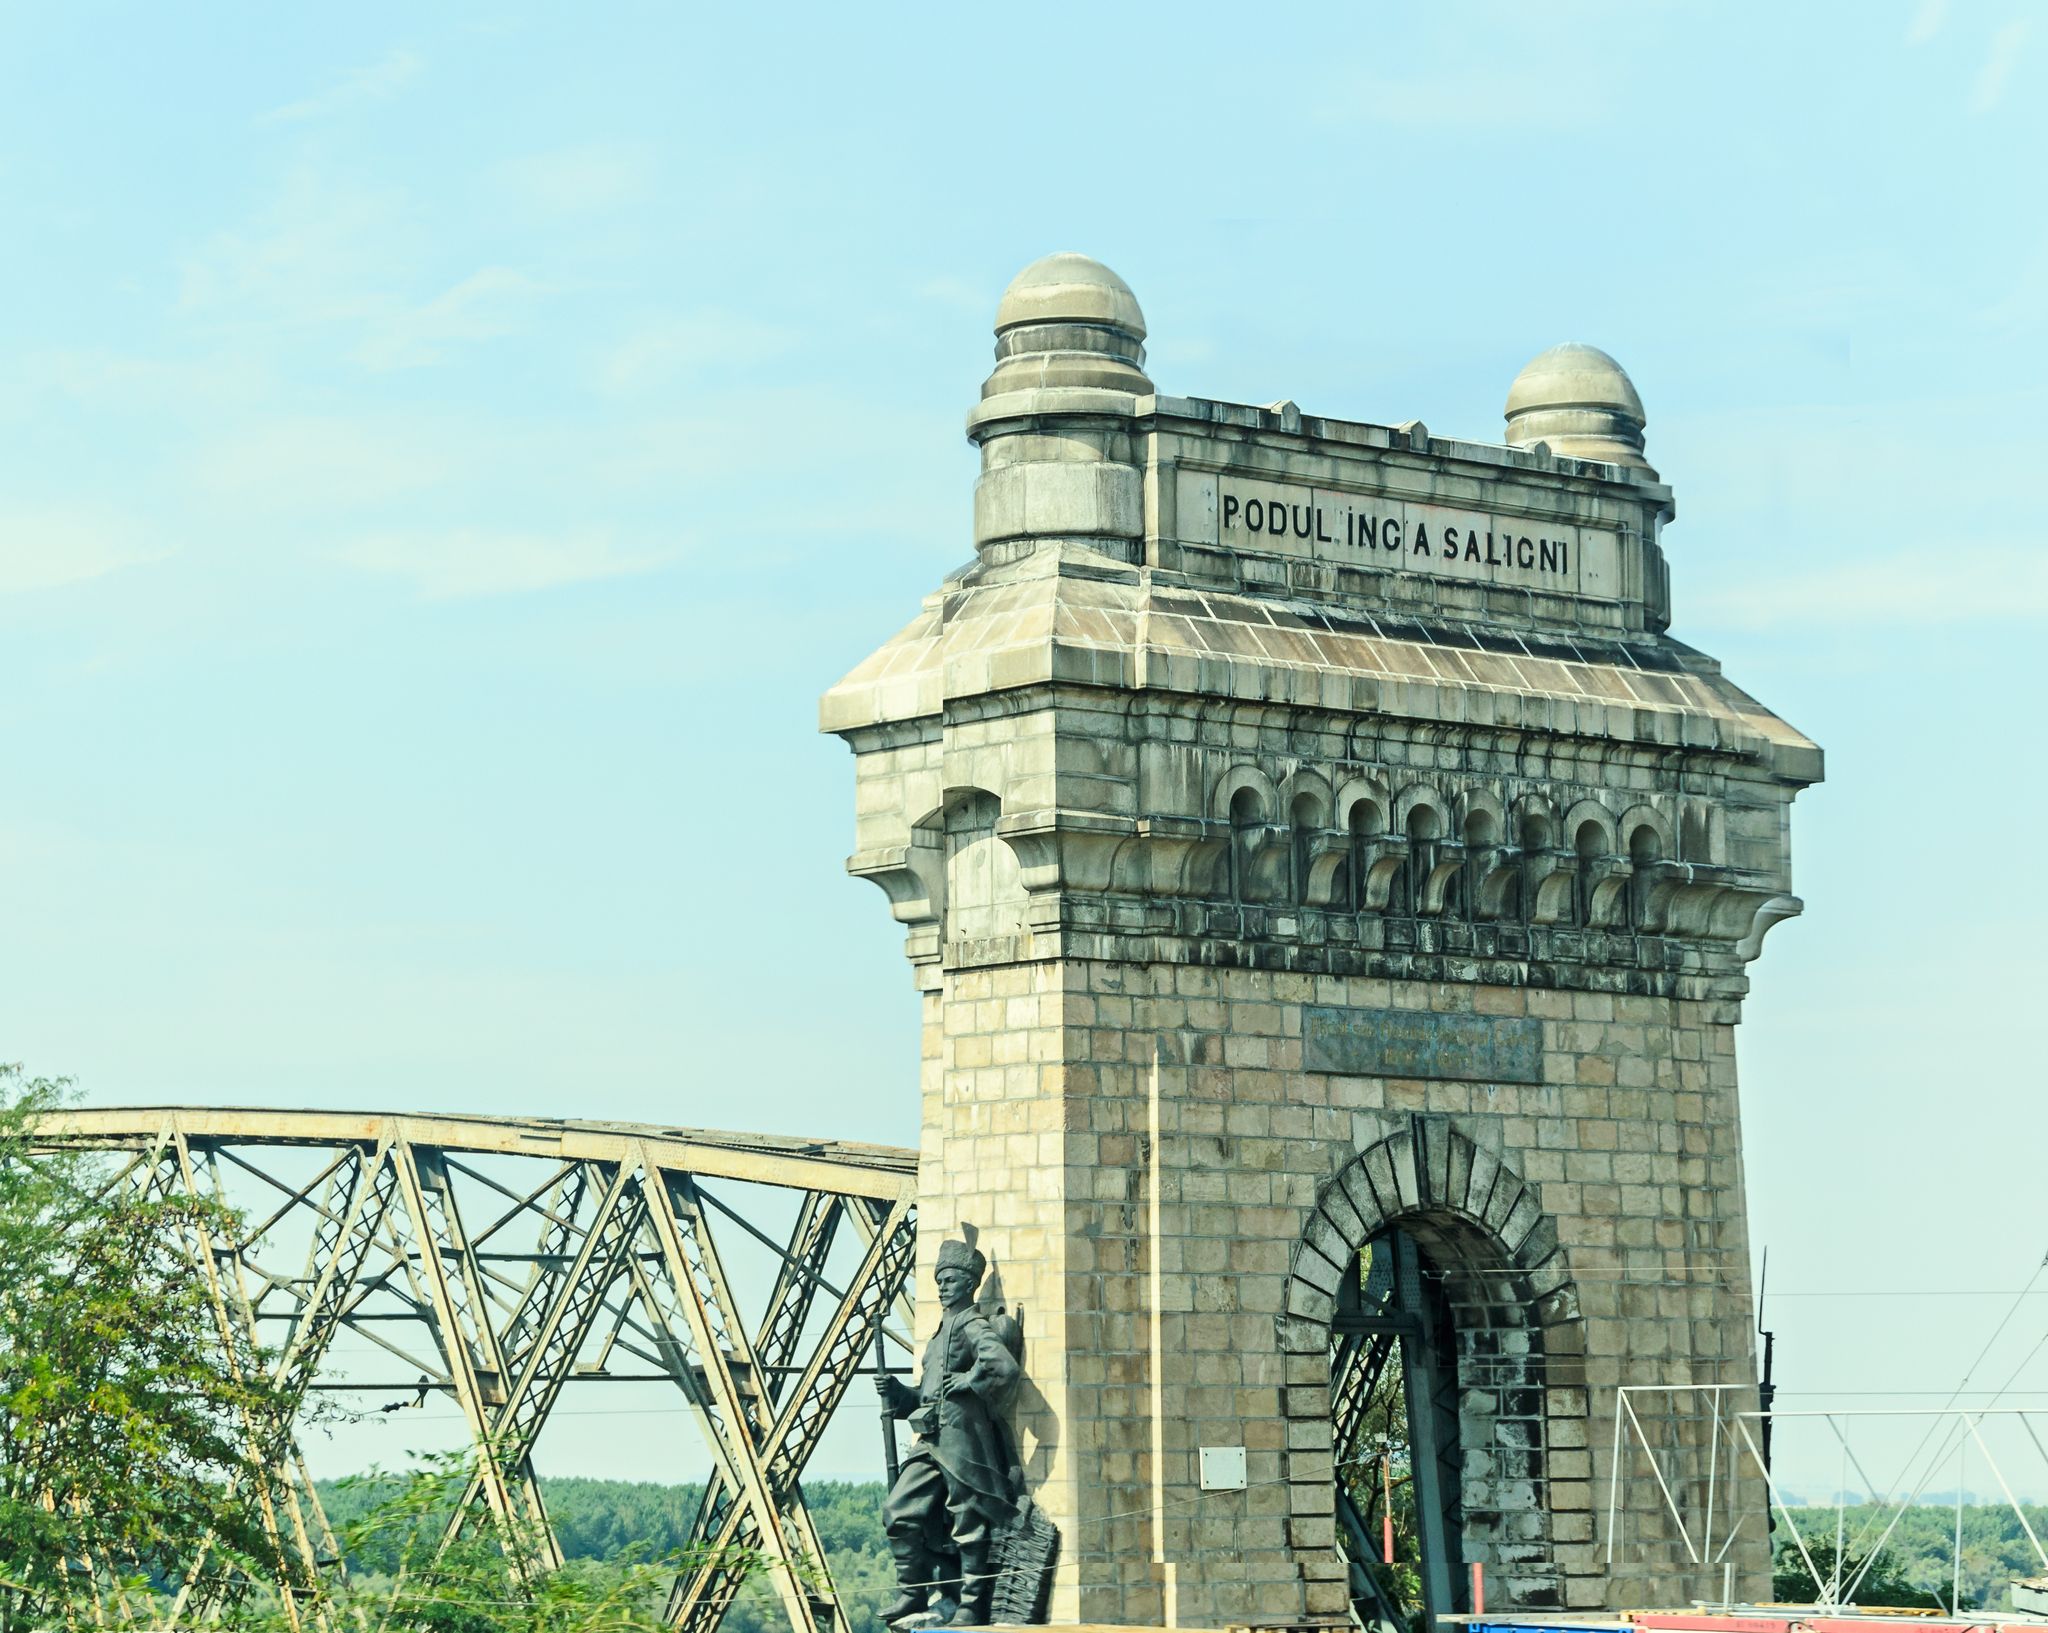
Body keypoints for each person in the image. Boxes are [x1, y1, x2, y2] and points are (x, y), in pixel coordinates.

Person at [874, 1239, 1022, 1627]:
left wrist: (970, 1379)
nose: (942, 1287)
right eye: (939, 1280)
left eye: (951, 1279)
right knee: (898, 1512)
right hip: (932, 1441)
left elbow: (1002, 1367)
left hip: (962, 1440)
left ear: (969, 1283)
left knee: (967, 1520)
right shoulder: (940, 1333)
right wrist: (898, 1394)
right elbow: (927, 1393)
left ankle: (972, 1604)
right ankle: (912, 1591)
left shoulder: (971, 1323)